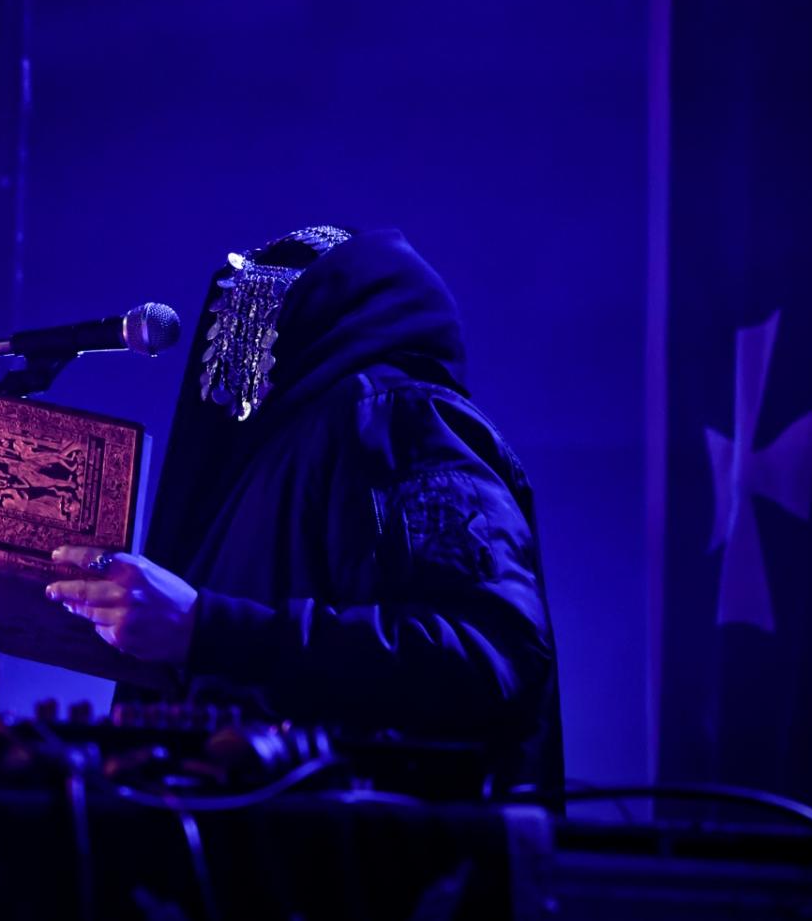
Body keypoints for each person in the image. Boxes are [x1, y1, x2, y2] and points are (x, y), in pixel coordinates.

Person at [46, 226, 561, 789]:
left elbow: (488, 653)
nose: (245, 345)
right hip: (256, 826)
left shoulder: (400, 419)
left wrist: (208, 628)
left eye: (263, 315)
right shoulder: (272, 458)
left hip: (369, 834)